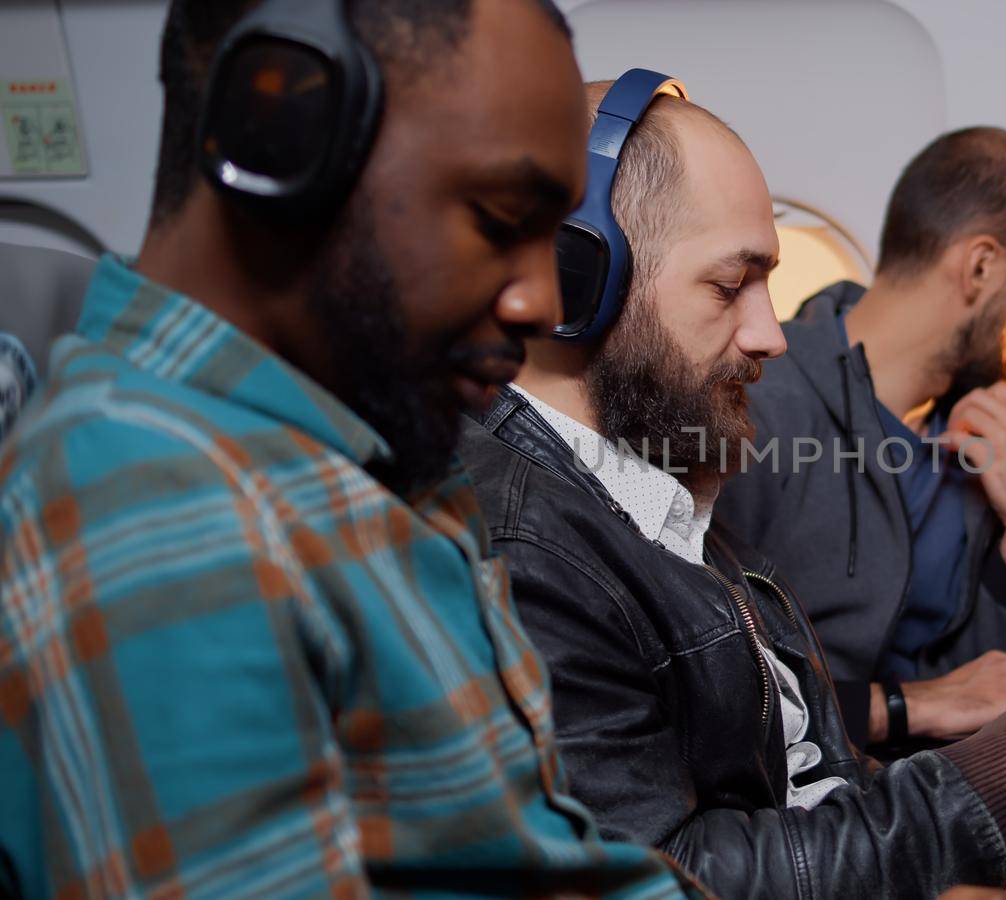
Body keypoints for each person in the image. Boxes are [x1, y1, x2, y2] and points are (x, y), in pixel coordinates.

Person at [0, 2, 700, 896]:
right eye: (497, 218)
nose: (538, 304)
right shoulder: (156, 502)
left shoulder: (357, 459)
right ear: (279, 138)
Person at [460, 79, 1006, 899]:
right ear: (575, 284)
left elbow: (810, 775)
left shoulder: (672, 502)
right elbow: (658, 877)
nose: (770, 335)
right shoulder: (523, 551)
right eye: (729, 286)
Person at [717, 128, 1006, 750]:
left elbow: (981, 692)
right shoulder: (761, 403)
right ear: (980, 267)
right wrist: (903, 707)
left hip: (926, 787)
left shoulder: (976, 433)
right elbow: (718, 700)